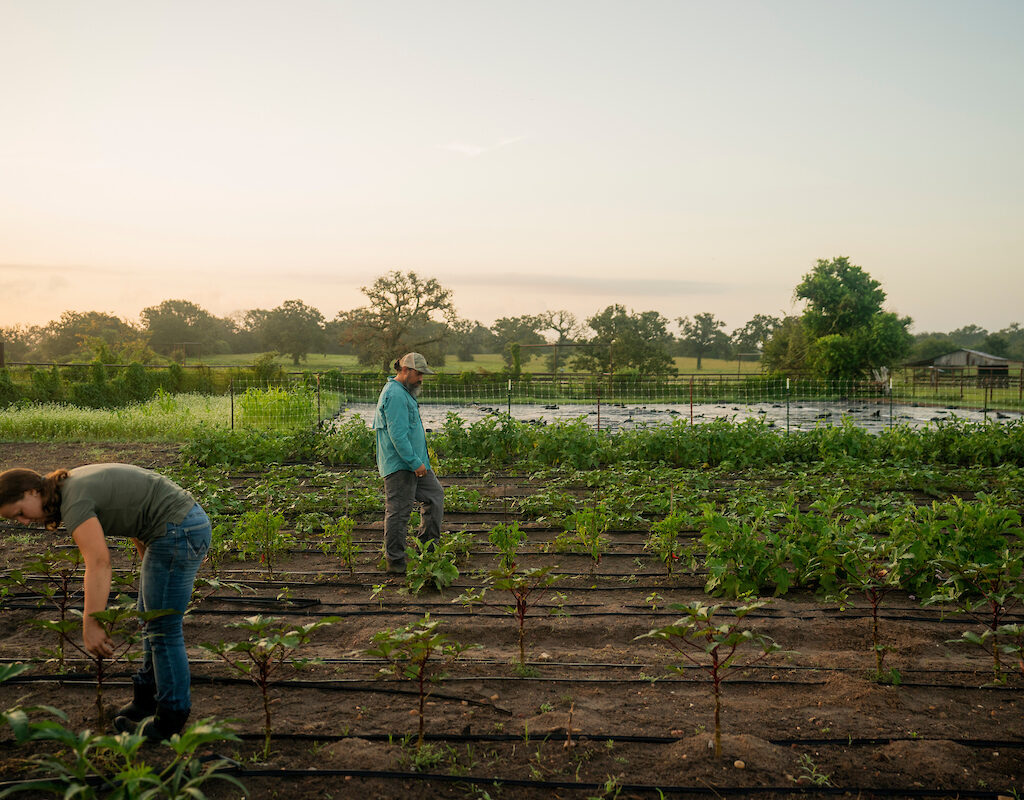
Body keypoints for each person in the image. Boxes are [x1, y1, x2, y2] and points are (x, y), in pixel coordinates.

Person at [0, 463, 210, 740]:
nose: (25, 522)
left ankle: (170, 718)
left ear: (31, 491)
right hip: (177, 527)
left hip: (176, 529)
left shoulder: (74, 501)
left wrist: (91, 623)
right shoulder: (68, 486)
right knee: (149, 619)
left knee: (162, 629)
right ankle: (146, 700)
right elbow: (133, 503)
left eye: (20, 514)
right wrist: (145, 548)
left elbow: (99, 562)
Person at [373, 352, 445, 574]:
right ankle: (395, 563)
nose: (421, 378)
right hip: (401, 465)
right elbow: (398, 436)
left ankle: (427, 550)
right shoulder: (394, 395)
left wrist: (420, 461)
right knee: (399, 512)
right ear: (405, 370)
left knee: (435, 497)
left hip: (415, 462)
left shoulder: (404, 392)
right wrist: (415, 462)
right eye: (419, 374)